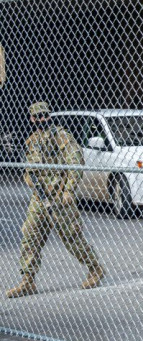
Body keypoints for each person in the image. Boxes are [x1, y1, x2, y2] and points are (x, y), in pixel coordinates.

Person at [6, 102, 105, 298]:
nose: (42, 119)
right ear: (32, 119)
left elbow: (75, 161)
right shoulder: (32, 141)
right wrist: (34, 185)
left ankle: (95, 268)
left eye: (45, 115)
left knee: (71, 237)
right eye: (38, 116)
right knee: (30, 236)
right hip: (39, 197)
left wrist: (68, 190)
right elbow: (29, 170)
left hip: (60, 196)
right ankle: (28, 280)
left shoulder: (61, 136)